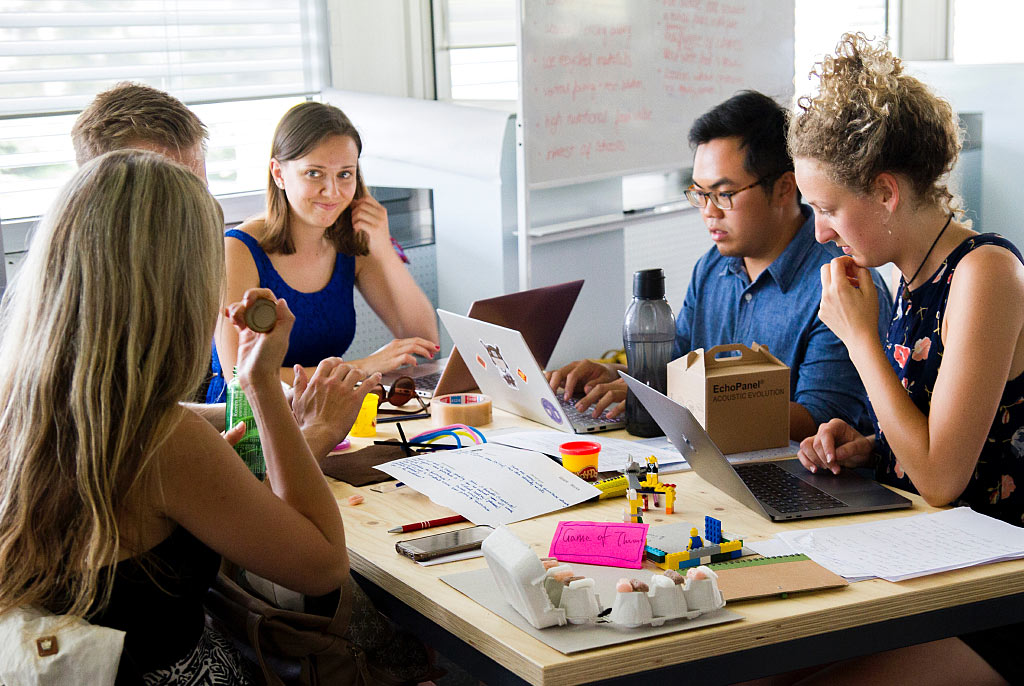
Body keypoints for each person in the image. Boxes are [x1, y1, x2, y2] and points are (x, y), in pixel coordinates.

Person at [0, 150, 374, 682]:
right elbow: (322, 565)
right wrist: (266, 388)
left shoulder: (28, 403)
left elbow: (197, 425)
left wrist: (257, 400)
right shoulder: (161, 442)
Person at [780, 32, 1024, 685]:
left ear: (886, 192)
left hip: (993, 597)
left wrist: (862, 340)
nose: (820, 231)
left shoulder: (986, 273)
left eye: (828, 208)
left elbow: (942, 478)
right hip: (928, 566)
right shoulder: (904, 278)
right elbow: (931, 433)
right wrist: (865, 444)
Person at [547, 90, 891, 441]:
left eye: (724, 194)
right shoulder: (712, 268)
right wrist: (617, 375)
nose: (709, 211)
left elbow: (823, 419)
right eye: (700, 194)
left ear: (784, 188)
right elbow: (678, 368)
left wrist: (672, 399)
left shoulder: (840, 284)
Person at [71, 82, 357, 460]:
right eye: (169, 193)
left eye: (198, 189)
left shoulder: (160, 274)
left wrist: (273, 408)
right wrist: (320, 430)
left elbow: (159, 421)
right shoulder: (86, 310)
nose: (197, 212)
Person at [208, 101, 440, 403]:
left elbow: (425, 342)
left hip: (319, 412)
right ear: (278, 173)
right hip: (247, 424)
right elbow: (241, 377)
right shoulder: (238, 249)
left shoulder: (350, 242)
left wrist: (383, 249)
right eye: (314, 174)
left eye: (345, 174)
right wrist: (361, 368)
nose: (332, 191)